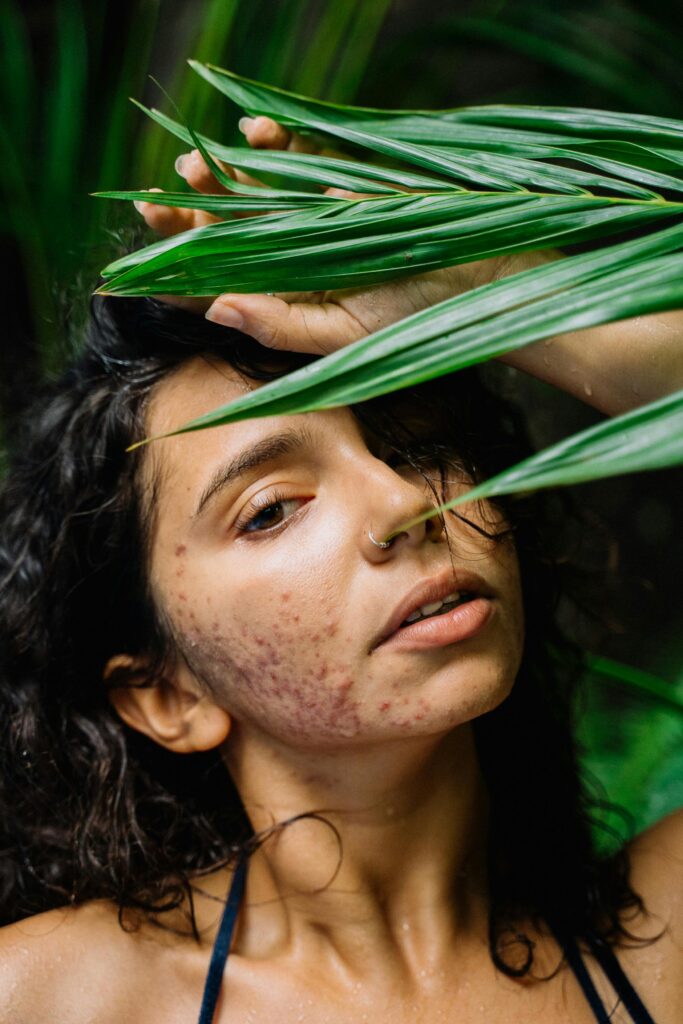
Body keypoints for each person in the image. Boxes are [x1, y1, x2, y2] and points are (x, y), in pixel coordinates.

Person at [0, 116, 681, 1024]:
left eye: (417, 443)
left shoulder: (664, 948)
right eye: (271, 508)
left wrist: (477, 285)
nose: (405, 503)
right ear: (167, 694)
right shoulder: (54, 1000)